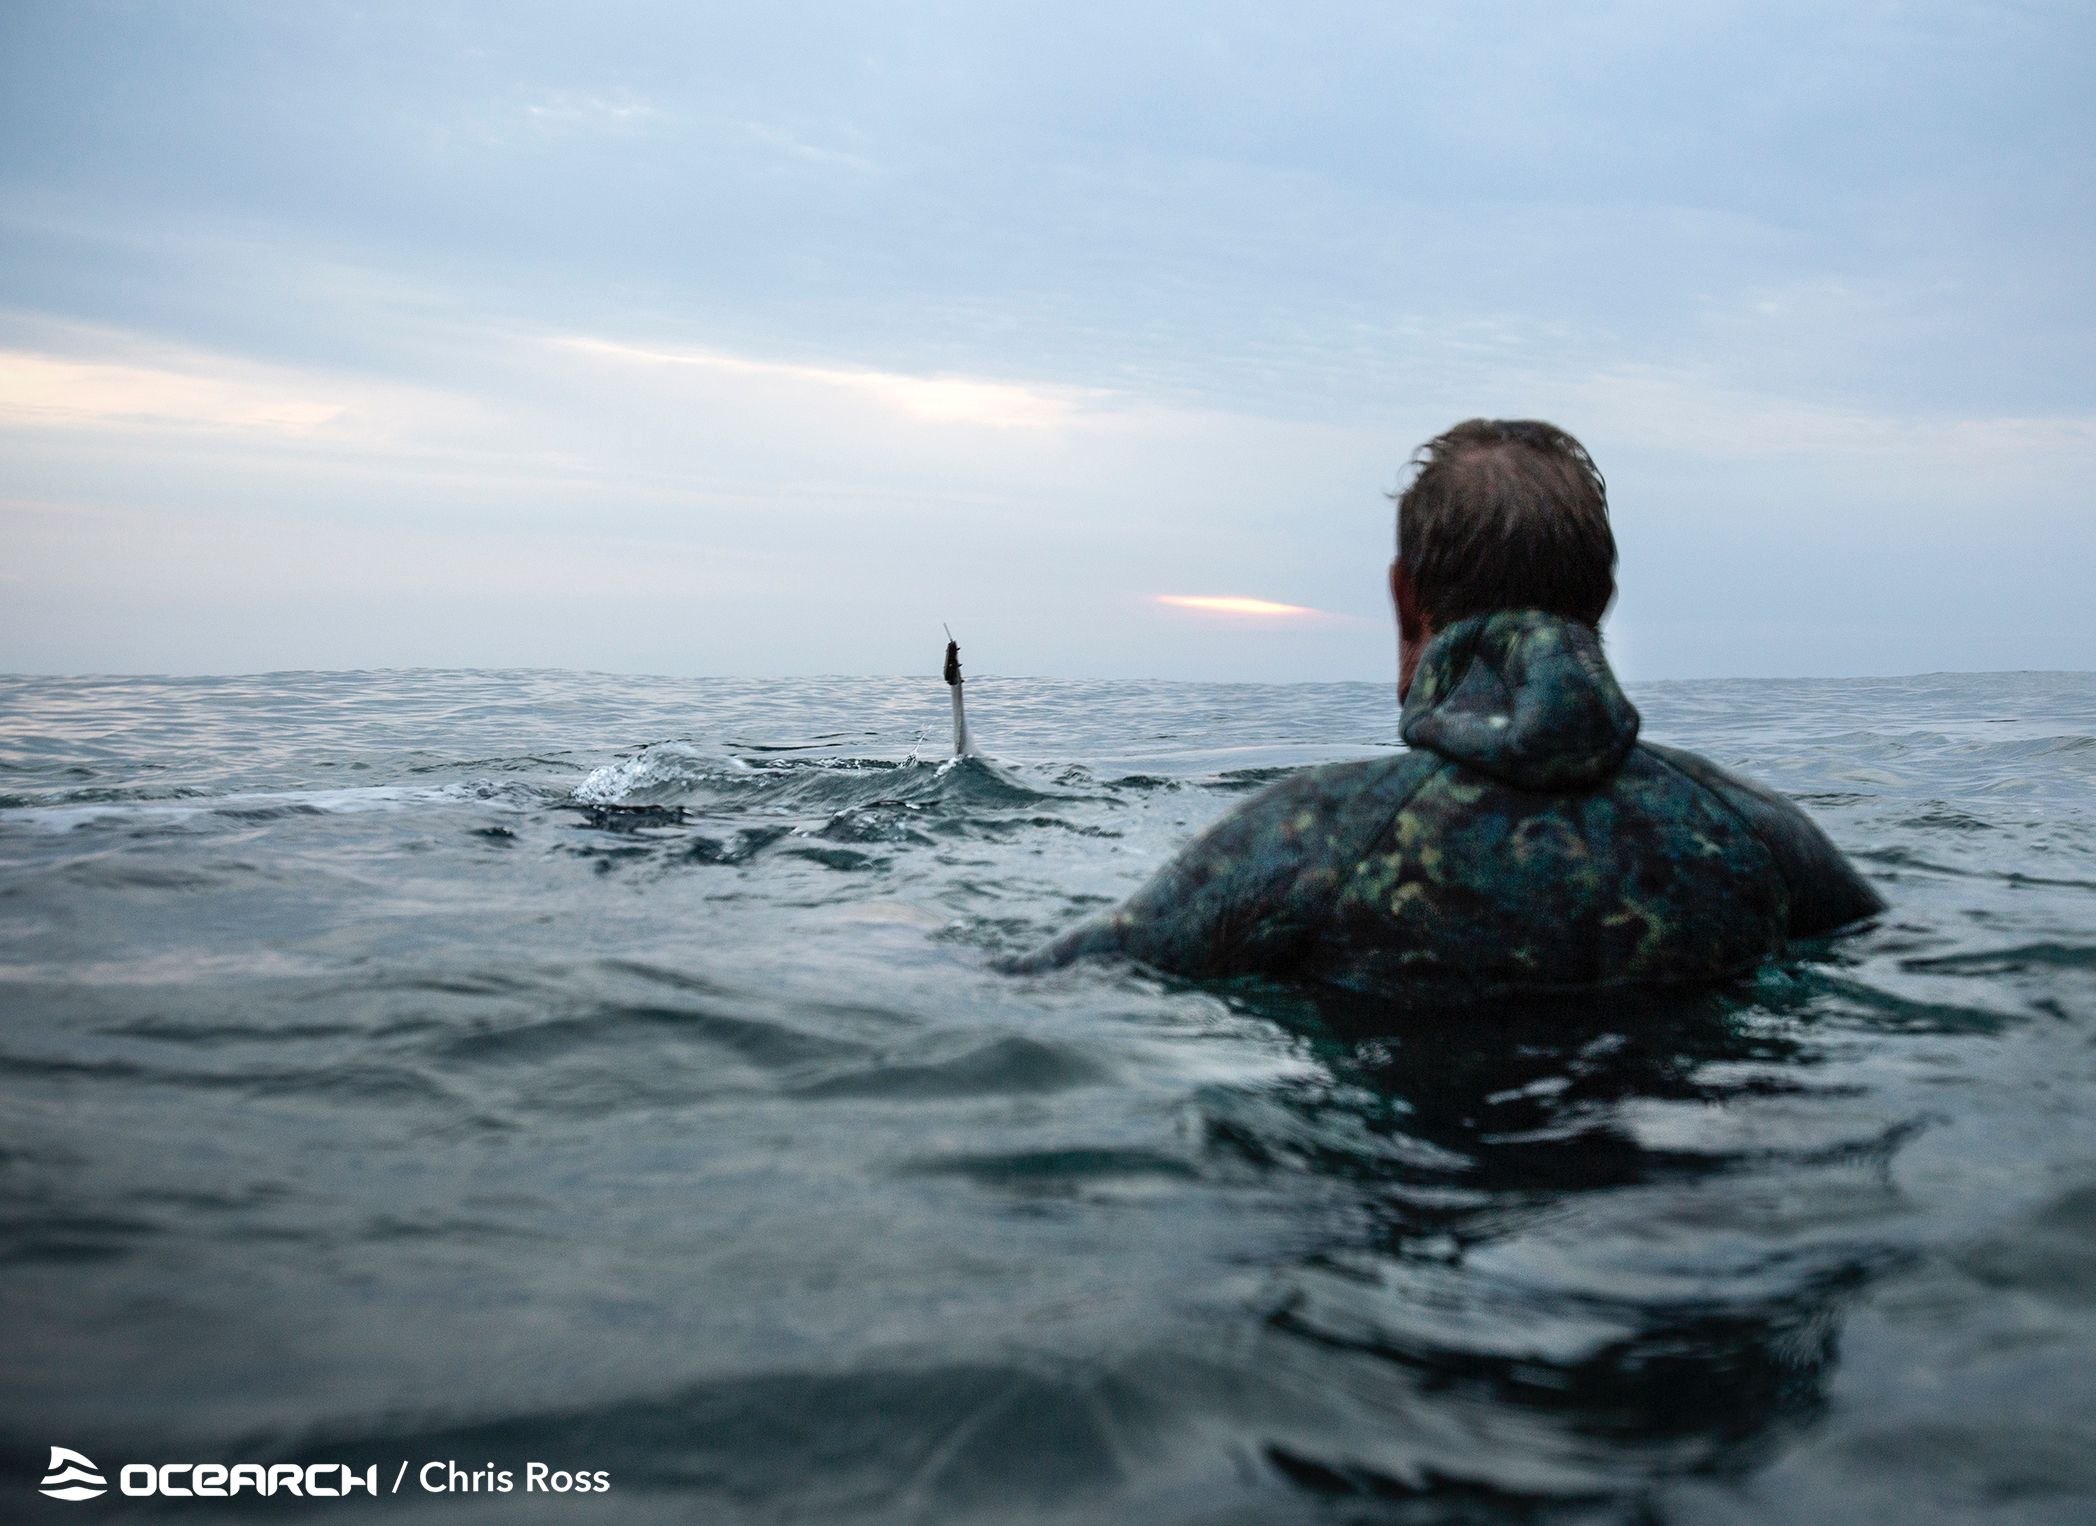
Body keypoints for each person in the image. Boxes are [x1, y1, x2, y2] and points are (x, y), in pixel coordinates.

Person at [1014, 418, 1883, 993]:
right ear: (1603, 601)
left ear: (1405, 603)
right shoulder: (1762, 837)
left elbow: (1065, 982)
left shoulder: (1306, 839)